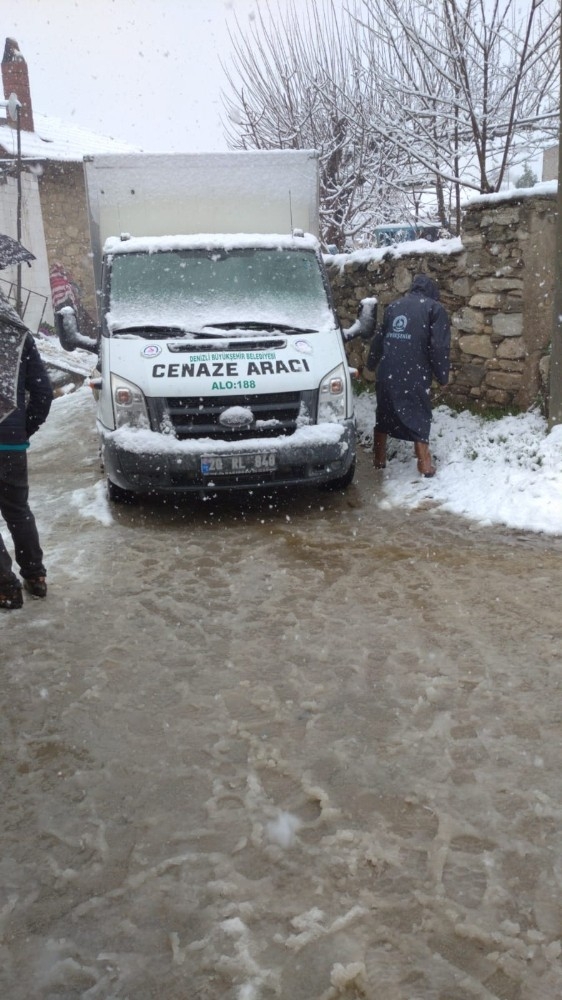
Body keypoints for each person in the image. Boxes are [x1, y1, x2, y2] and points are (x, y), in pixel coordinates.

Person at [365, 273, 451, 477]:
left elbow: (380, 338)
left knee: (385, 412)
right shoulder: (434, 308)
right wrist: (443, 375)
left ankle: (379, 457)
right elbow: (439, 346)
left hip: (388, 370)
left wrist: (371, 363)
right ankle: (424, 464)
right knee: (419, 413)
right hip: (414, 371)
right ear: (432, 292)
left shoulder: (394, 306)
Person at [0, 292, 53, 610]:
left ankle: (6, 587)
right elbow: (43, 392)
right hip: (11, 442)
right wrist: (22, 429)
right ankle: (36, 576)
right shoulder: (16, 333)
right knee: (18, 510)